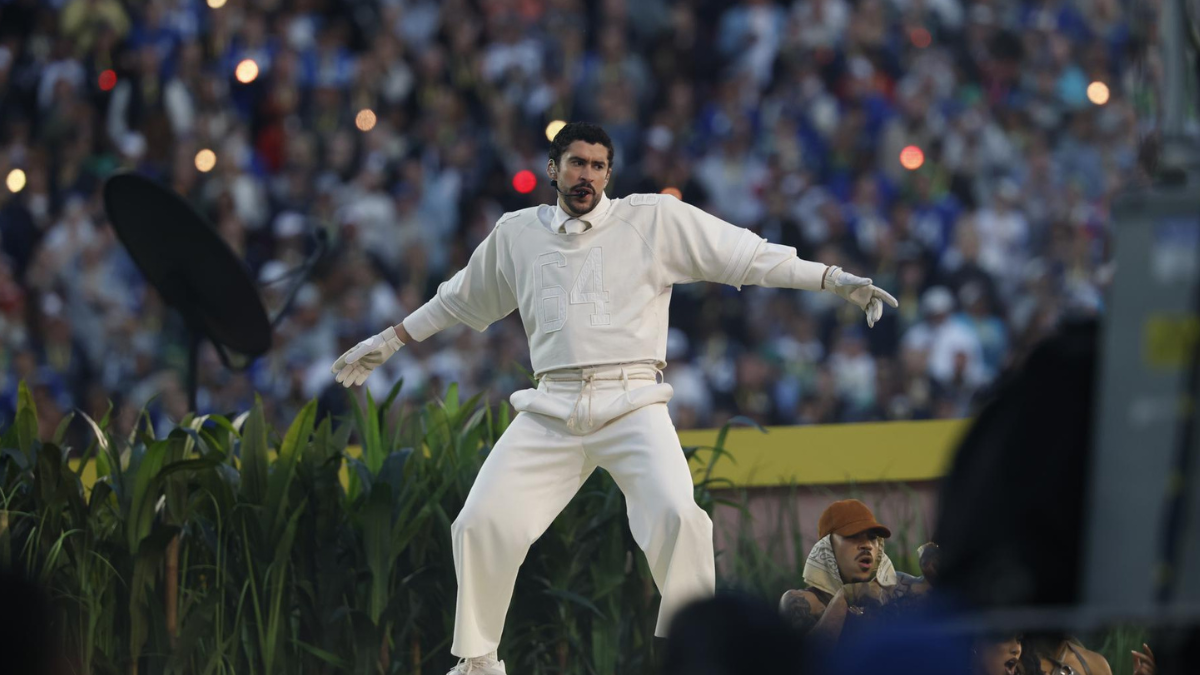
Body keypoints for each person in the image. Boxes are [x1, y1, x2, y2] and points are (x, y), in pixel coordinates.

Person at [331, 122, 899, 675]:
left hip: (633, 403)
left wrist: (830, 278)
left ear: (609, 173)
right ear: (552, 169)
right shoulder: (516, 233)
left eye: (599, 166)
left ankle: (695, 657)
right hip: (551, 406)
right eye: (576, 163)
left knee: (681, 518)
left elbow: (745, 256)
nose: (587, 175)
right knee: (479, 522)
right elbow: (457, 299)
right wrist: (389, 340)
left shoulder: (651, 219)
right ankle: (478, 661)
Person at [778, 499, 929, 645]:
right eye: (852, 536)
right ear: (826, 548)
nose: (867, 545)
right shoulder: (802, 602)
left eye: (872, 538)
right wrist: (844, 596)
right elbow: (808, 661)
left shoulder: (893, 587)